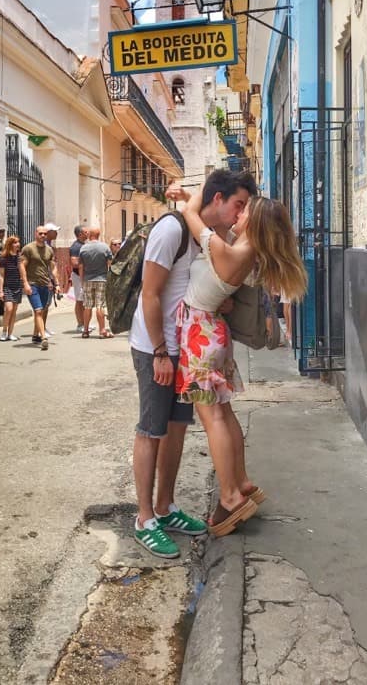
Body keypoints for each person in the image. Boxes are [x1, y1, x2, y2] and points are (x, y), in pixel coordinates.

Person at [130, 169, 257, 559]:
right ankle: (145, 518)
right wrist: (160, 352)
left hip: (185, 347)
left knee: (177, 428)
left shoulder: (207, 234)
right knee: (151, 430)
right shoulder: (171, 230)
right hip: (158, 346)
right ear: (217, 200)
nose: (240, 213)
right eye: (238, 204)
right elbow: (150, 294)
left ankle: (166, 507)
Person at [177, 191, 308, 537]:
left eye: (244, 208)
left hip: (199, 337)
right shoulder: (244, 250)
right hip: (210, 332)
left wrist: (190, 195)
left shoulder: (231, 251)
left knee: (213, 418)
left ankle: (231, 496)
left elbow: (191, 213)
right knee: (224, 413)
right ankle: (242, 482)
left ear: (255, 220)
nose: (237, 212)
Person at [20, 225, 59, 351]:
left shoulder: (49, 250)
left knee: (43, 310)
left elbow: (53, 267)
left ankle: (35, 335)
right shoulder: (28, 249)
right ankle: (43, 338)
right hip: (32, 284)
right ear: (35, 234)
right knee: (38, 311)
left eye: (45, 234)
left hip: (45, 284)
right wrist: (25, 283)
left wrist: (56, 284)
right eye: (40, 233)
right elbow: (22, 266)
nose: (43, 236)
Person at [78, 227, 113, 338]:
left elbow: (81, 266)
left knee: (87, 306)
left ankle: (85, 331)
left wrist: (82, 280)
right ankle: (102, 330)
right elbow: (110, 264)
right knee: (100, 305)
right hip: (101, 279)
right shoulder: (104, 247)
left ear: (90, 235)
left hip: (88, 279)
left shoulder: (83, 248)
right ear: (99, 234)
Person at [0, 235, 31, 341]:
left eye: (18, 242)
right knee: (9, 309)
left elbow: (23, 273)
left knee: (14, 311)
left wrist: (25, 284)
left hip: (17, 286)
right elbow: (1, 275)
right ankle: (4, 332)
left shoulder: (19, 258)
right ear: (10, 244)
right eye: (15, 242)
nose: (18, 244)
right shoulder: (4, 258)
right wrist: (0, 291)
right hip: (7, 286)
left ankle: (10, 333)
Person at [43, 222, 62, 337]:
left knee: (46, 305)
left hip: (50, 278)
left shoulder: (49, 245)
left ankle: (43, 327)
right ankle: (41, 329)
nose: (56, 233)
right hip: (46, 279)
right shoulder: (45, 246)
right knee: (44, 306)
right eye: (55, 231)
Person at [69, 225, 88, 333]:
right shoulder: (76, 247)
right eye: (86, 232)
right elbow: (74, 263)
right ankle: (80, 324)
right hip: (78, 276)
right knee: (79, 300)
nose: (88, 233)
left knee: (83, 300)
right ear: (80, 234)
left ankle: (84, 323)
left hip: (83, 276)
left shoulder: (82, 245)